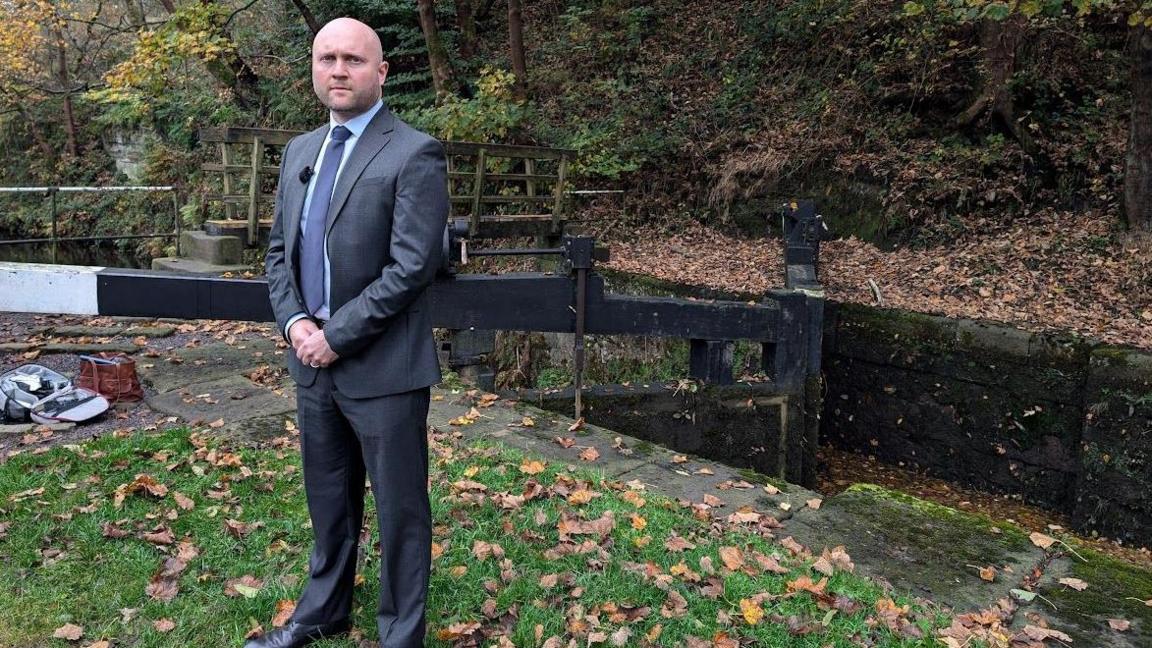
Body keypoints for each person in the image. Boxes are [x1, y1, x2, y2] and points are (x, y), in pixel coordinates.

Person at [254, 16, 448, 648]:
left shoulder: (414, 152)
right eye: (327, 58)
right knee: (329, 502)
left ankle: (400, 635)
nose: (339, 70)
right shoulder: (299, 151)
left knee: (400, 513)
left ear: (382, 71)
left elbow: (412, 267)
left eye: (354, 60)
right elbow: (279, 252)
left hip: (383, 368)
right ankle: (322, 611)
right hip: (310, 365)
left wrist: (335, 334)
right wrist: (295, 323)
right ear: (313, 67)